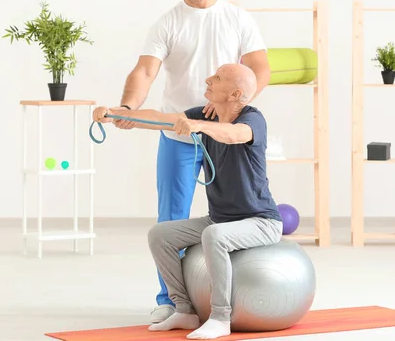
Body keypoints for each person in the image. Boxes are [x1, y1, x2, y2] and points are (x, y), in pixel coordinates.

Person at [107, 0, 271, 323]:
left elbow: (260, 70)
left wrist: (235, 105)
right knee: (170, 222)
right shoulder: (168, 23)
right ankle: (171, 301)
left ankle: (220, 303)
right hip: (180, 133)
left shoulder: (237, 18)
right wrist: (128, 108)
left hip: (222, 133)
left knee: (235, 210)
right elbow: (144, 72)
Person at [93, 64, 283, 339]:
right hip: (220, 218)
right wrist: (118, 114)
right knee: (161, 234)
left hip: (260, 221)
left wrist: (199, 126)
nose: (208, 79)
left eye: (217, 78)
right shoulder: (206, 115)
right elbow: (160, 118)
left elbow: (235, 135)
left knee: (214, 235)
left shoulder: (253, 119)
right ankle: (184, 309)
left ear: (235, 94)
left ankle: (220, 317)